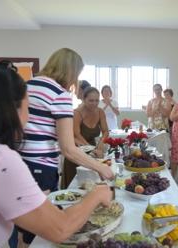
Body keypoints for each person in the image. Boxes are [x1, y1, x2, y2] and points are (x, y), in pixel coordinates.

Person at [0, 63, 113, 248]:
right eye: (28, 107)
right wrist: (97, 195)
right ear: (12, 110)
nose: (29, 116)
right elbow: (61, 229)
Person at [17, 48, 114, 245]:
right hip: (41, 167)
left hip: (18, 163)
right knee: (44, 233)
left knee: (25, 229)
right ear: (71, 72)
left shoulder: (26, 86)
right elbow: (68, 148)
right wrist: (100, 167)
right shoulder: (58, 93)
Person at [61, 87, 109, 188]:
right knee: (75, 186)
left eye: (97, 100)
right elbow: (77, 135)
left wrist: (100, 144)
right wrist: (92, 149)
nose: (94, 103)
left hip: (92, 151)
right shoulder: (77, 113)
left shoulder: (100, 112)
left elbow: (105, 131)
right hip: (75, 151)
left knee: (90, 184)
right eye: (91, 100)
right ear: (84, 99)